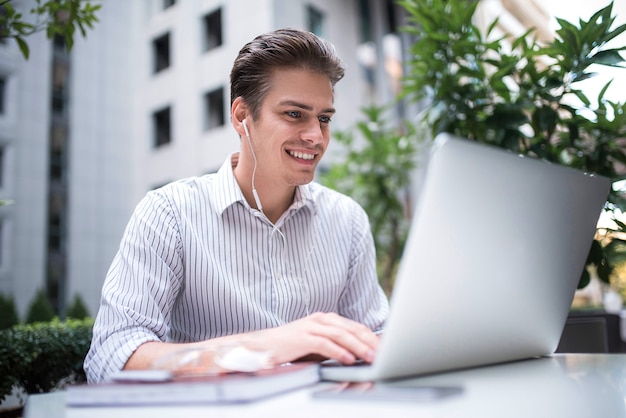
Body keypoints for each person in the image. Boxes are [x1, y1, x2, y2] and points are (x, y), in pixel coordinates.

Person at [84, 28, 389, 383]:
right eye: (294, 114)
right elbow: (109, 359)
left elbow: (377, 339)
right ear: (241, 116)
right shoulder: (169, 214)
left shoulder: (347, 219)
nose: (316, 137)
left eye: (324, 118)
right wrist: (267, 346)